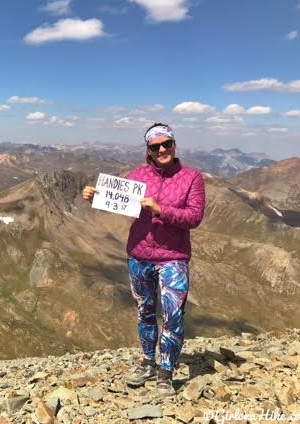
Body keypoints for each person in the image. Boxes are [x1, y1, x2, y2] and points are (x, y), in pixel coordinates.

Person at [82, 122, 206, 397]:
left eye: (167, 144)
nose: (162, 149)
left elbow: (194, 218)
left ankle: (166, 371)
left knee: (173, 315)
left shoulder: (191, 178)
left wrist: (161, 209)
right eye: (155, 146)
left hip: (173, 257)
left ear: (174, 145)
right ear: (148, 150)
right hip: (138, 255)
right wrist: (94, 197)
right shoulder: (138, 176)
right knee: (145, 312)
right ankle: (148, 362)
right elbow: (116, 200)